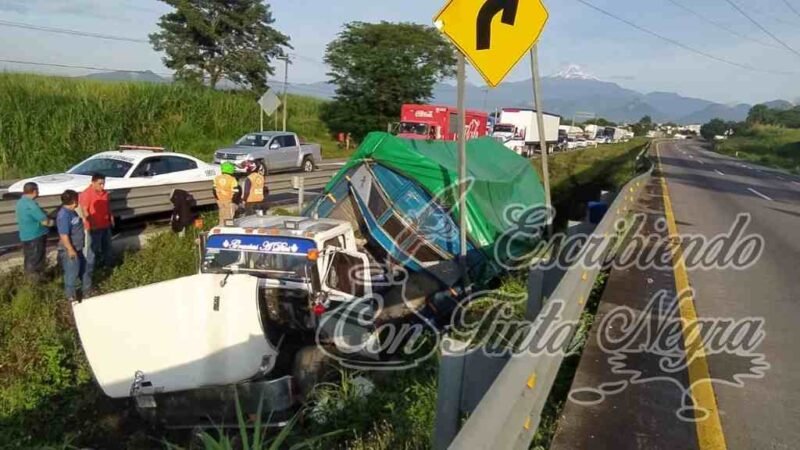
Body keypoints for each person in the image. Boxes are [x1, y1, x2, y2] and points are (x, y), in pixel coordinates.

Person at [57, 190, 92, 301]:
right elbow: (64, 235)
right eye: (77, 199)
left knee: (84, 270)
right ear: (73, 201)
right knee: (71, 273)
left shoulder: (72, 212)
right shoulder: (63, 215)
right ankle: (70, 297)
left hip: (78, 248)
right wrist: (70, 249)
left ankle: (87, 292)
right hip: (70, 250)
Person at [15, 182, 53, 279]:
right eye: (38, 190)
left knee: (29, 260)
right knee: (37, 263)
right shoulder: (31, 205)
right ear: (34, 191)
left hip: (25, 236)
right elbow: (45, 222)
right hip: (36, 236)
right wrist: (53, 223)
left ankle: (28, 281)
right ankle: (36, 284)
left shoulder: (20, 202)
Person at [79, 173, 114, 270]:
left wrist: (111, 216)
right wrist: (91, 224)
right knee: (92, 250)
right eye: (100, 184)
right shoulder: (86, 194)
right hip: (94, 227)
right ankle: (90, 269)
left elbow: (107, 206)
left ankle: (108, 266)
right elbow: (85, 210)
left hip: (105, 224)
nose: (102, 186)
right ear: (93, 183)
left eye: (103, 184)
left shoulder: (105, 193)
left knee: (107, 247)